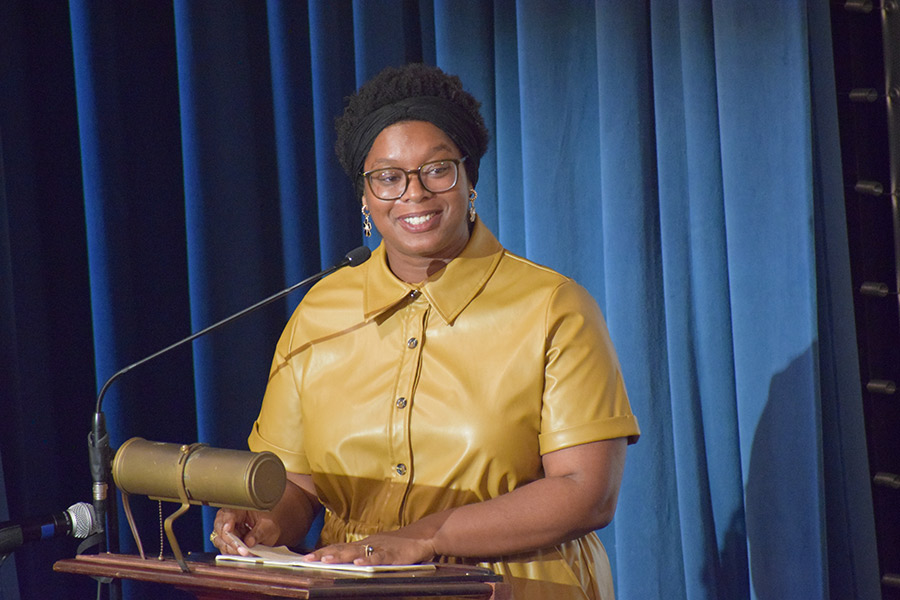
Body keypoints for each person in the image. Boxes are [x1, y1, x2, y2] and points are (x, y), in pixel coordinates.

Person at [210, 63, 640, 599]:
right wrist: (264, 523)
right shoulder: (320, 313)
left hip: (511, 587)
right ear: (365, 197)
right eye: (388, 177)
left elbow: (586, 491)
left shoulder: (553, 309)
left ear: (469, 178)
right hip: (352, 588)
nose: (413, 193)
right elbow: (298, 483)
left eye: (437, 169)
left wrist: (423, 538)